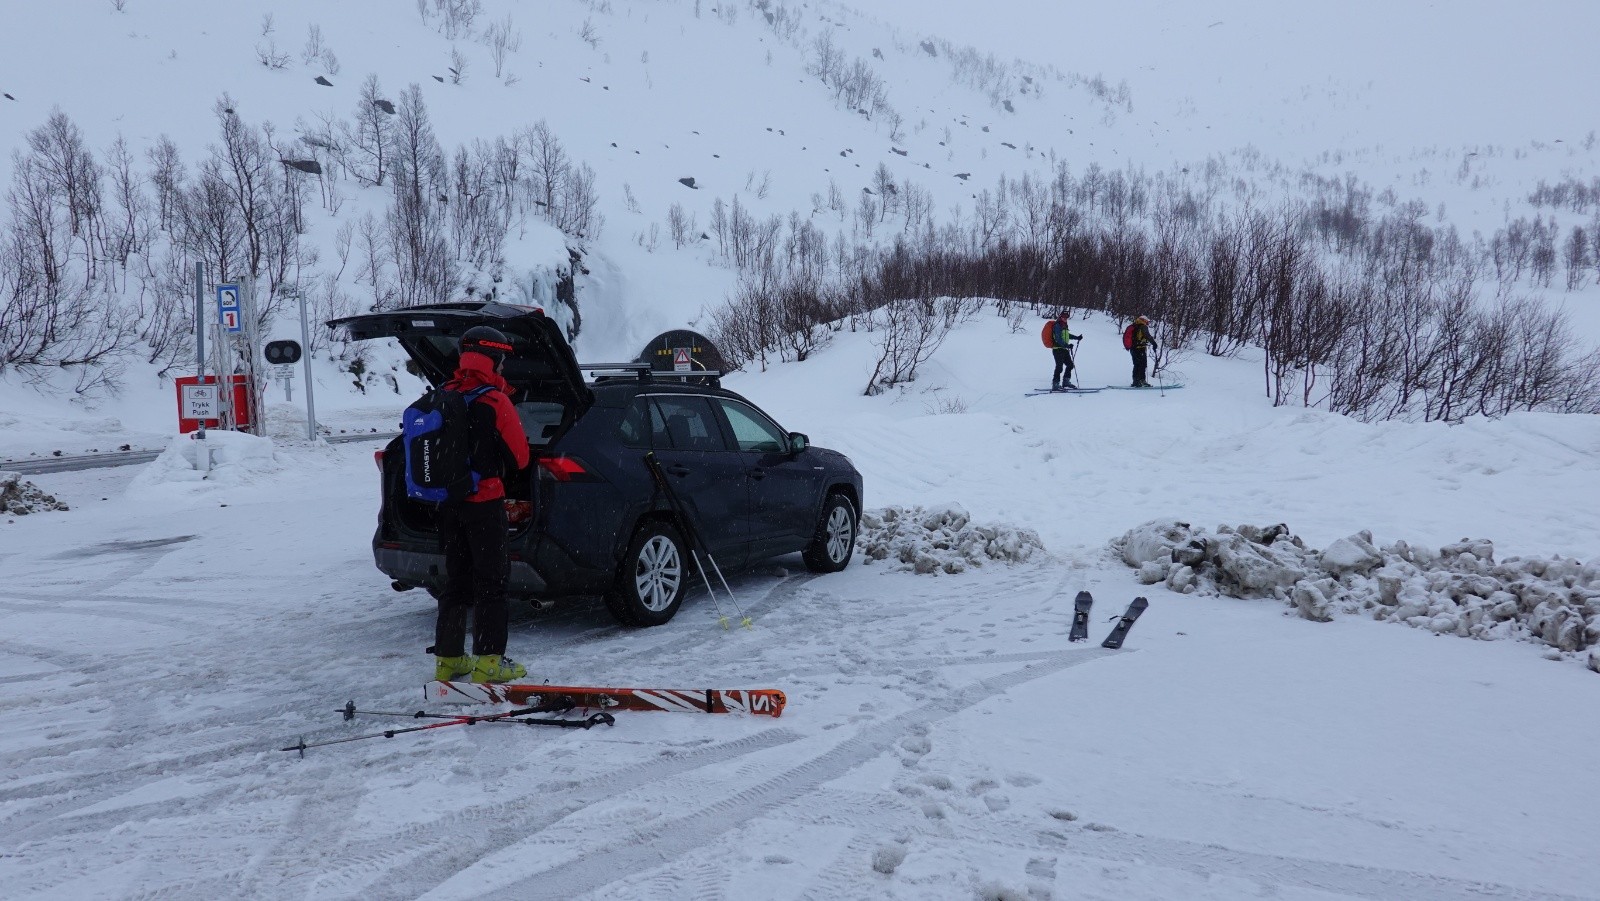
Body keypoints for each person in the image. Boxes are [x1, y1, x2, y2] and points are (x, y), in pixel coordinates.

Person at [432, 325, 532, 684]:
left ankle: (448, 660)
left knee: (455, 581)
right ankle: (489, 661)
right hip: (485, 504)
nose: (504, 368)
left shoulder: (443, 393)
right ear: (493, 359)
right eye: (502, 361)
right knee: (491, 582)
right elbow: (519, 458)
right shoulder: (494, 400)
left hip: (449, 504)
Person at [1042, 311, 1082, 390]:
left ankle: (1066, 382)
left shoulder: (1064, 325)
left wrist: (1077, 337)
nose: (1065, 318)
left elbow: (1067, 335)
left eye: (1066, 317)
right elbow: (1058, 338)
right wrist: (1067, 345)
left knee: (1070, 365)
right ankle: (1055, 384)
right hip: (1057, 349)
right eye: (1063, 317)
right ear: (1060, 317)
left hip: (1064, 349)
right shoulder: (1057, 325)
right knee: (1059, 367)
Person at [1122, 315, 1156, 387]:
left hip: (1133, 348)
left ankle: (1135, 381)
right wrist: (1154, 343)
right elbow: (1147, 335)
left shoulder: (1134, 326)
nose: (1148, 323)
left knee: (1137, 365)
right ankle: (1141, 381)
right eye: (1147, 321)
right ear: (1144, 320)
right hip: (1140, 348)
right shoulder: (1143, 327)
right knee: (1142, 365)